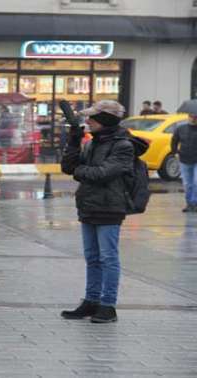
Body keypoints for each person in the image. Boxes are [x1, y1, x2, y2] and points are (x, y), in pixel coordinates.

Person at [61, 100, 147, 323]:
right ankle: (91, 301)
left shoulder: (123, 145)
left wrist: (80, 171)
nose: (88, 121)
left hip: (110, 207)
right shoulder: (93, 142)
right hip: (89, 205)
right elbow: (68, 167)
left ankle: (108, 305)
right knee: (92, 257)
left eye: (93, 118)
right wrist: (73, 140)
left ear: (106, 120)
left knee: (108, 257)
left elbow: (102, 173)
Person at [171, 111, 197, 212]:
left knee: (196, 182)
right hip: (184, 159)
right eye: (191, 116)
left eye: (195, 117)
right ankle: (189, 203)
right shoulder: (180, 128)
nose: (193, 118)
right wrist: (175, 152)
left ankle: (195, 203)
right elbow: (174, 141)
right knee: (187, 184)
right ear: (188, 117)